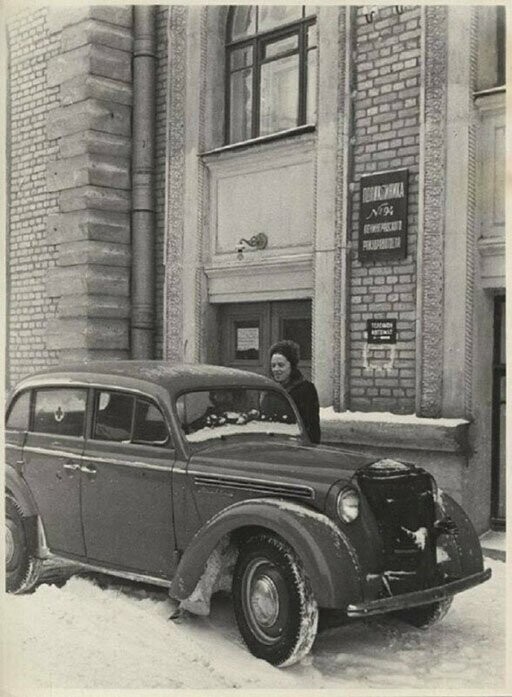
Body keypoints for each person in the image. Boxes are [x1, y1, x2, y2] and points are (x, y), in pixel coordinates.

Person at [268, 339, 321, 444]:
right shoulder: (269, 388)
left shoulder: (306, 389)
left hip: (296, 444)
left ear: (291, 365)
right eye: (273, 365)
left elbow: (312, 425)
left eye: (281, 365)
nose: (276, 369)